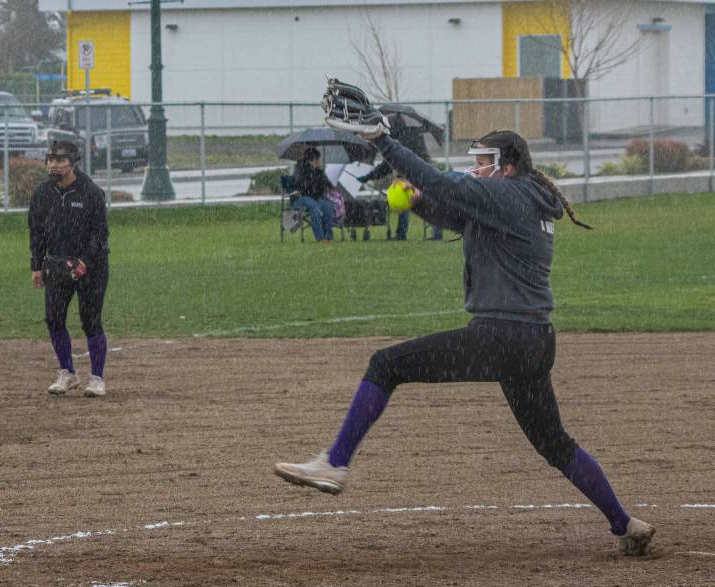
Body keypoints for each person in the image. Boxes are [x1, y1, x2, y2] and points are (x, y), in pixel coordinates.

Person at [273, 127, 656, 556]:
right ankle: (625, 525)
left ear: (508, 166)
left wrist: (383, 140)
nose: (475, 169)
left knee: (386, 365)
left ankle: (336, 463)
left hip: (501, 337)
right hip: (532, 342)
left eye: (483, 162)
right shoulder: (521, 197)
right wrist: (417, 203)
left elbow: (440, 182)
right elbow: (453, 212)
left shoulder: (509, 195)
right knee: (555, 444)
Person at [28, 139, 110, 397]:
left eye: (61, 160)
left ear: (73, 162)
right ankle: (67, 373)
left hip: (92, 267)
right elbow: (37, 232)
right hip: (56, 265)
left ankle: (96, 378)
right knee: (54, 319)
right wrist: (37, 265)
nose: (54, 165)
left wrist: (85, 261)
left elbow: (100, 235)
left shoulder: (91, 192)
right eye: (51, 159)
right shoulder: (42, 193)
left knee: (90, 321)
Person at [356, 113, 443, 241]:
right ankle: (436, 233)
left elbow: (387, 165)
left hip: (416, 173)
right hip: (426, 171)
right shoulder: (412, 132)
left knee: (404, 198)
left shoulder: (400, 139)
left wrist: (369, 176)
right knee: (430, 201)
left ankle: (402, 234)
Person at [292, 147, 336, 243]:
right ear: (312, 160)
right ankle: (320, 238)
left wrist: (331, 186)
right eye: (318, 160)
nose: (319, 162)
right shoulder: (300, 169)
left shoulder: (318, 171)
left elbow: (327, 184)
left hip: (316, 197)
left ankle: (328, 237)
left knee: (328, 207)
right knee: (315, 209)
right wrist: (314, 178)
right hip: (302, 197)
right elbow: (300, 185)